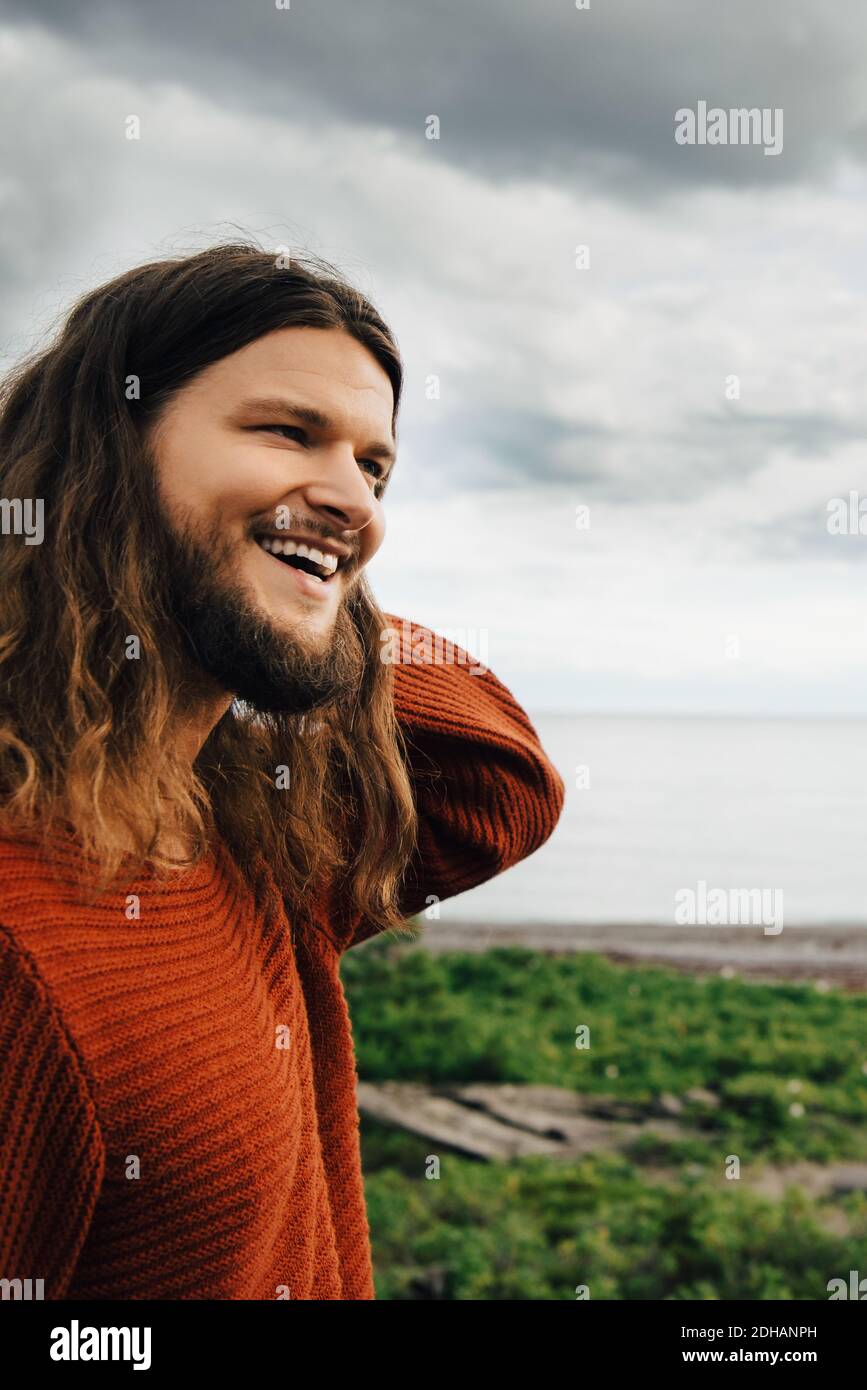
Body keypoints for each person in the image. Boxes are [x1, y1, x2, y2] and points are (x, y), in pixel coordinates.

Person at [0, 243, 565, 1300]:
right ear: (106, 452)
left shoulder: (243, 829)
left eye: (374, 466)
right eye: (290, 431)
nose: (358, 500)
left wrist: (302, 575)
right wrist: (284, 564)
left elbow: (501, 784)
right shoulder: (20, 940)